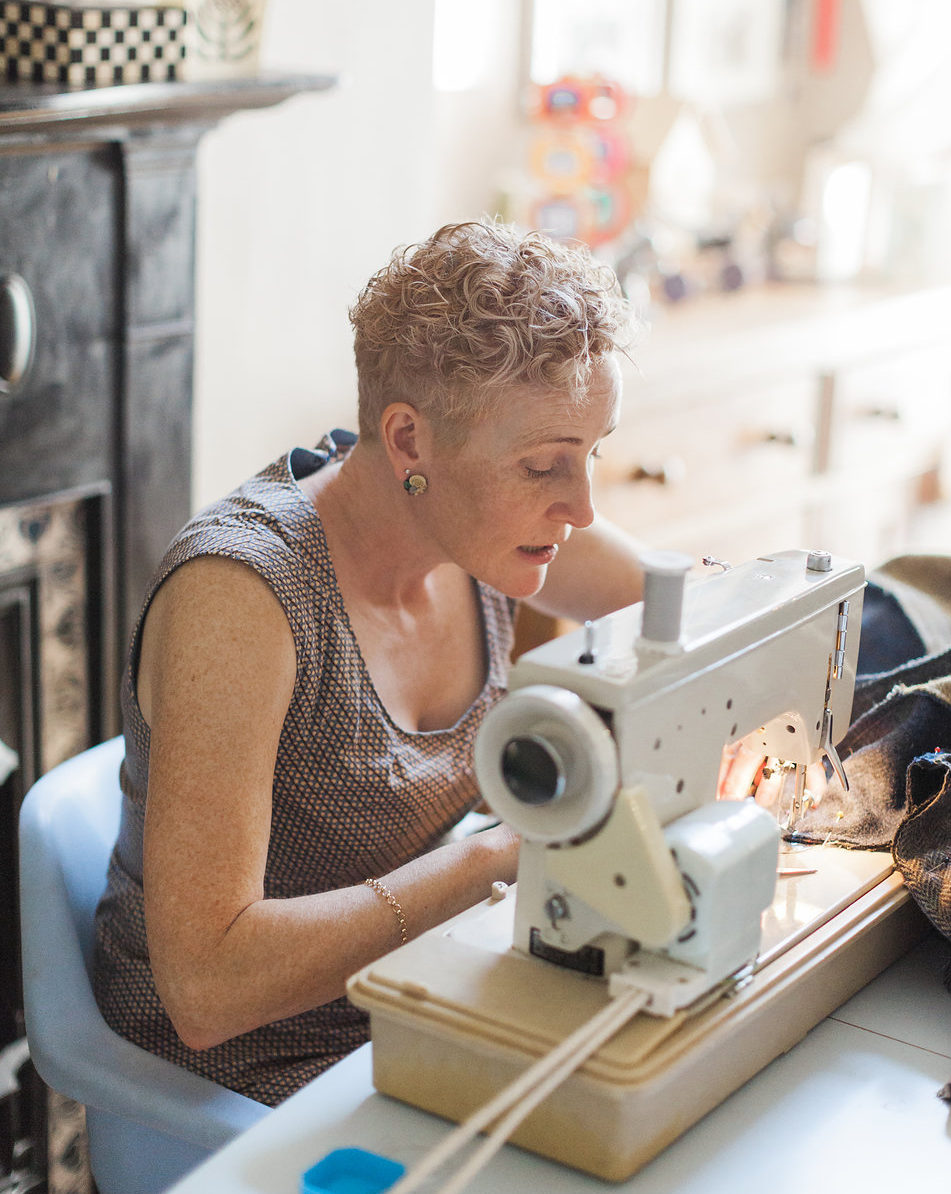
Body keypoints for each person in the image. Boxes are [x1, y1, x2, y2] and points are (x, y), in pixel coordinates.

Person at [93, 219, 793, 1107]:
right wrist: (496, 857)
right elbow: (207, 989)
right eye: (545, 465)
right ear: (411, 442)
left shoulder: (497, 529)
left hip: (413, 1002)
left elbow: (693, 609)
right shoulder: (241, 600)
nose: (580, 506)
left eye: (593, 454)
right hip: (239, 1081)